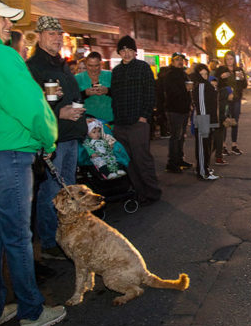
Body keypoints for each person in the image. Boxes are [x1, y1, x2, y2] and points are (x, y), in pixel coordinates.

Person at [0, 0, 66, 326]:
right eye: (1, 17)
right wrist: (48, 138)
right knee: (18, 236)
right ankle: (32, 313)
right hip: (6, 155)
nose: (9, 24)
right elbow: (30, 104)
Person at [27, 16, 87, 261]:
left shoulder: (62, 64)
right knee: (52, 191)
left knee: (68, 188)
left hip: (70, 135)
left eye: (59, 33)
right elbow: (30, 105)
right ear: (39, 36)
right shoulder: (33, 67)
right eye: (50, 33)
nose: (56, 37)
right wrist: (58, 112)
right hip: (53, 138)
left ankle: (67, 237)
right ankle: (50, 242)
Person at [110, 35, 162, 205]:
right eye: (123, 50)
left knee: (142, 160)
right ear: (119, 52)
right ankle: (140, 193)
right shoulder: (116, 71)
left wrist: (144, 117)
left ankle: (152, 193)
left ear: (135, 52)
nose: (126, 53)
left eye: (129, 50)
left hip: (137, 123)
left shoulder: (143, 68)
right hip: (120, 123)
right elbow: (115, 96)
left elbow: (150, 94)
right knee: (128, 162)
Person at [162, 52, 193, 173]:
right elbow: (171, 92)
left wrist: (190, 102)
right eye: (177, 59)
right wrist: (185, 89)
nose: (180, 61)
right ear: (172, 61)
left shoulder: (184, 74)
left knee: (181, 136)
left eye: (182, 59)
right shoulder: (170, 75)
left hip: (184, 109)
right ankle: (172, 163)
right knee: (175, 136)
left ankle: (180, 159)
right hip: (174, 110)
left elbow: (187, 91)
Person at [191, 64, 220, 180]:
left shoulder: (206, 85)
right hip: (203, 119)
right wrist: (205, 123)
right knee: (203, 146)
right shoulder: (201, 85)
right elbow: (202, 106)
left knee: (207, 145)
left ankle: (205, 168)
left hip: (208, 119)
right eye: (201, 74)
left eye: (206, 74)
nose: (204, 76)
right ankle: (203, 172)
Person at [216, 51, 248, 155]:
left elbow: (244, 85)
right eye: (227, 59)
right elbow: (216, 84)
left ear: (234, 60)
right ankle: (223, 146)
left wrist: (243, 79)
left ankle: (234, 145)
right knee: (225, 121)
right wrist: (221, 77)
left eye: (231, 59)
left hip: (236, 99)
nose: (229, 61)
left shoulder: (238, 70)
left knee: (235, 121)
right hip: (225, 100)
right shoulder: (221, 69)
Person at [74, 51, 114, 123]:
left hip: (109, 120)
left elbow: (120, 94)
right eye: (90, 65)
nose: (93, 69)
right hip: (88, 121)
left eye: (96, 65)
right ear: (86, 64)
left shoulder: (110, 75)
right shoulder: (78, 78)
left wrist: (107, 91)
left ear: (101, 64)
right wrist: (85, 93)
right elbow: (72, 98)